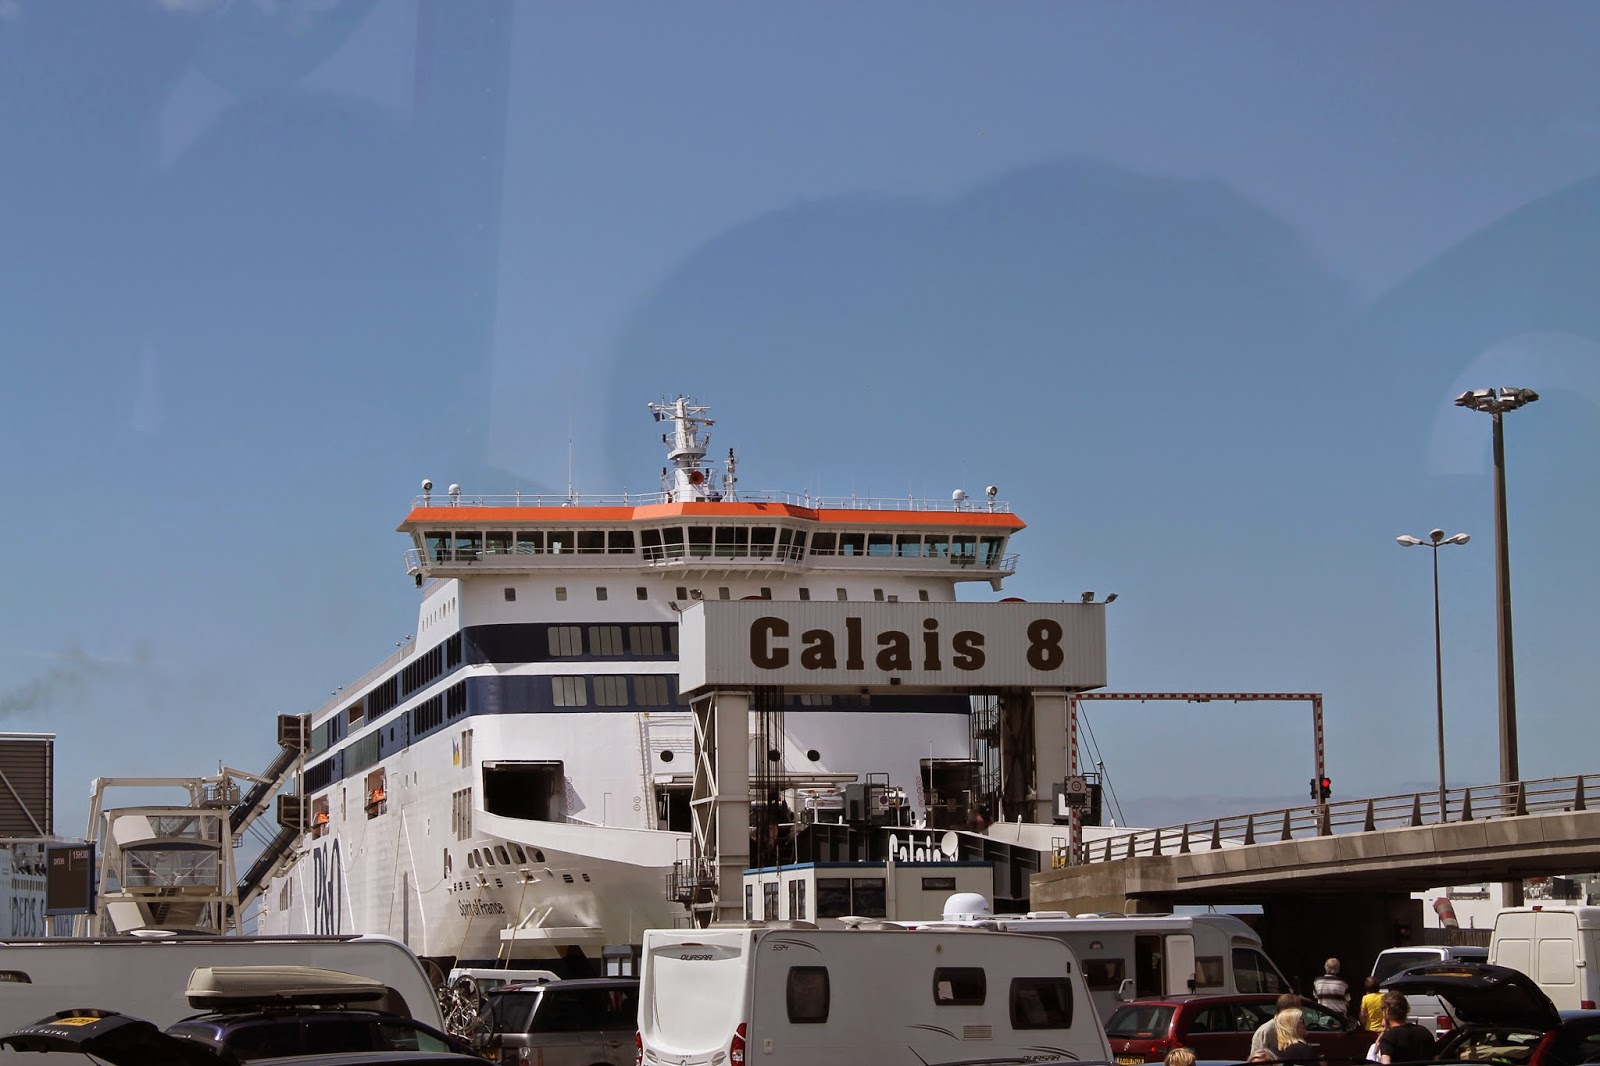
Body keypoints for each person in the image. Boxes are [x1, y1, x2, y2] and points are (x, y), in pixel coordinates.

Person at [1376, 990, 1437, 1065]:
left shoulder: (1389, 1037)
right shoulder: (1425, 1032)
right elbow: (1436, 1060)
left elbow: (1385, 1062)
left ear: (1387, 1011)